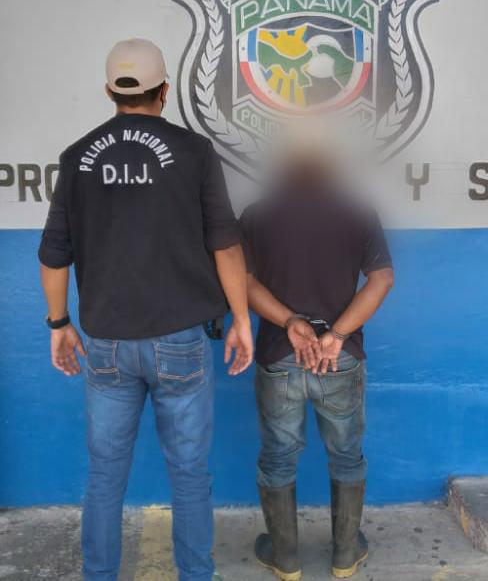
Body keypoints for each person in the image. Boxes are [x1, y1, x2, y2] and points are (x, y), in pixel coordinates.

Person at [38, 38, 253, 581]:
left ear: (109, 92)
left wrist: (59, 323)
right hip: (180, 340)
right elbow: (226, 244)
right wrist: (241, 319)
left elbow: (54, 254)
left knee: (105, 476)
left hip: (107, 343)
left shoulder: (76, 157)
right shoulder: (195, 152)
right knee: (189, 475)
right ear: (165, 91)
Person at [240, 154, 394, 580]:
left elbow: (244, 282)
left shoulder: (256, 217)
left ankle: (285, 559)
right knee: (346, 456)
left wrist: (291, 322)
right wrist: (337, 334)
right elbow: (382, 279)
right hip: (338, 356)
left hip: (280, 354)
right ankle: (344, 556)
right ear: (331, 173)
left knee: (278, 458)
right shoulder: (358, 214)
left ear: (283, 172)